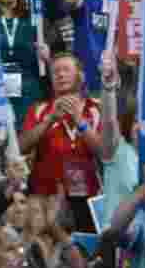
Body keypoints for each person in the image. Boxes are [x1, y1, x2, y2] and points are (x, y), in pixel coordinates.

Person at [20, 54, 102, 231]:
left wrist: (79, 120)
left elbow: (104, 152)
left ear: (80, 75)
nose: (60, 75)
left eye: (66, 70)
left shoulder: (96, 108)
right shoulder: (39, 110)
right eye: (55, 71)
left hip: (89, 195)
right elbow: (22, 147)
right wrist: (48, 121)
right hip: (45, 195)